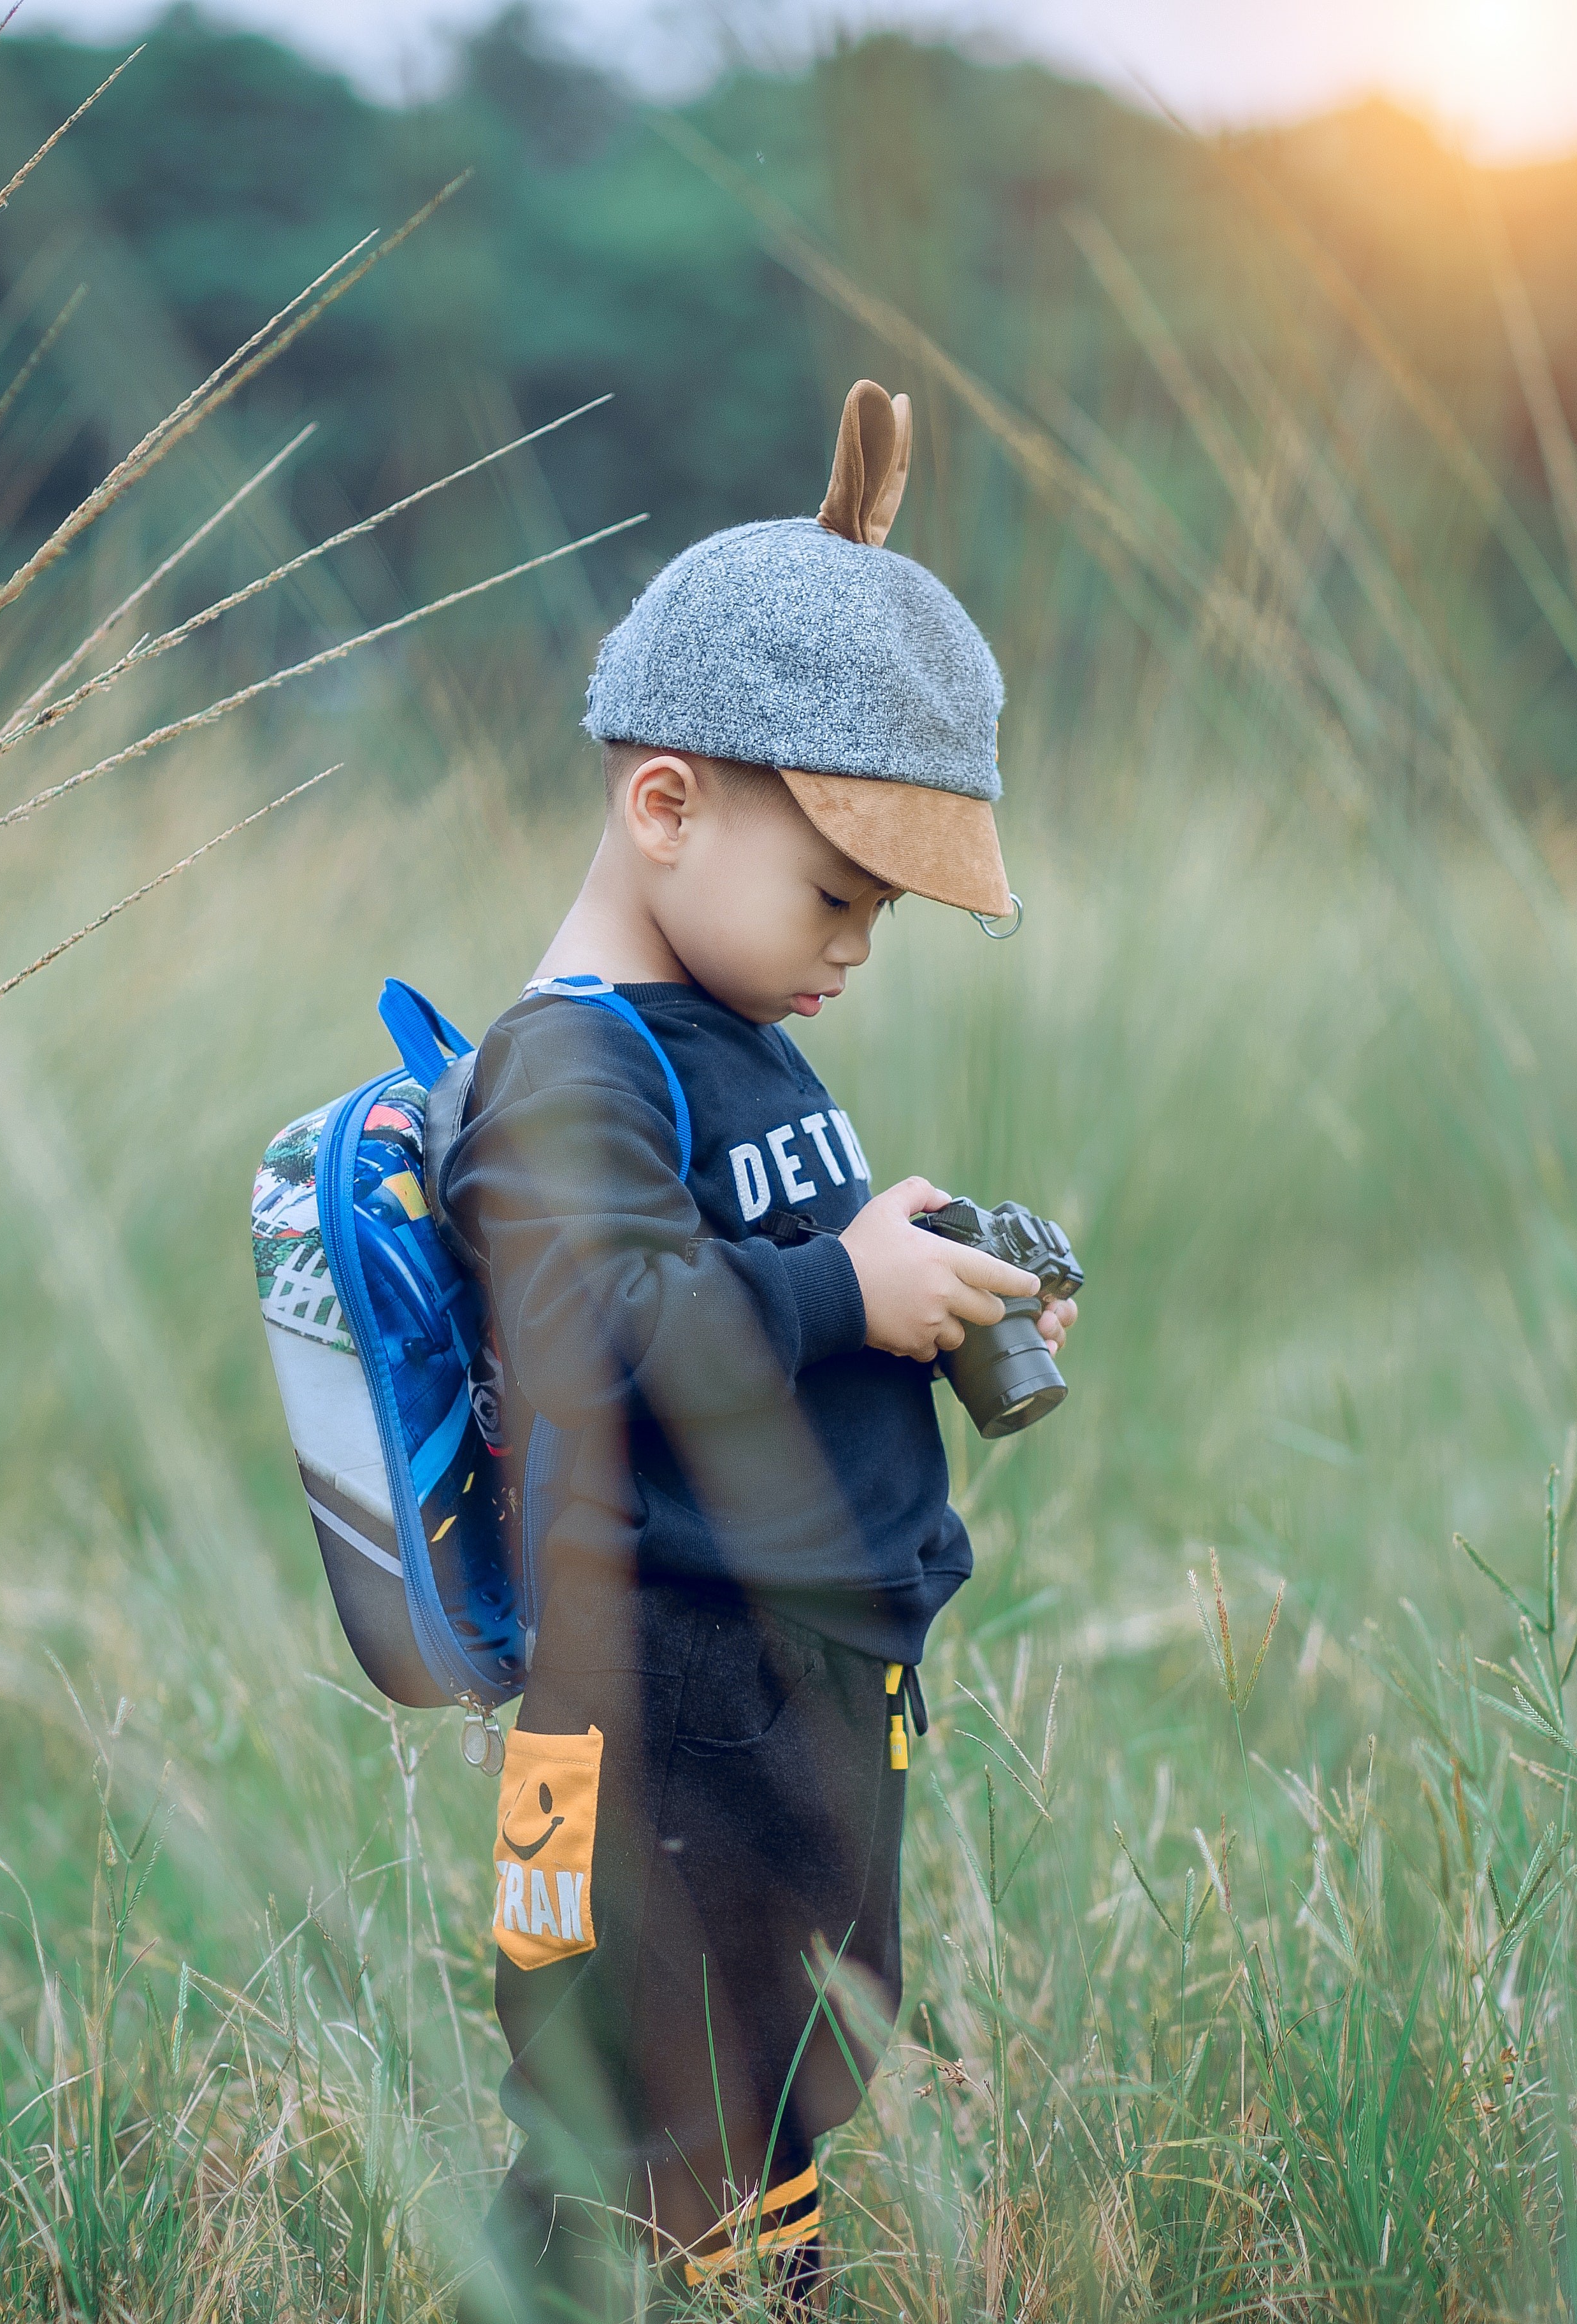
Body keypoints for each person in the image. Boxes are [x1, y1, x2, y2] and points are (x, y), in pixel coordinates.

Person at [436, 380, 1076, 2321]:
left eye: (879, 911)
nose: (856, 949)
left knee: (781, 2062)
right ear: (666, 803)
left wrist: (922, 1281)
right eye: (835, 892)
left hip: (786, 1680)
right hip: (659, 1696)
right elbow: (607, 1331)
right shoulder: (568, 1065)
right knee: (653, 2097)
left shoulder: (733, 1033)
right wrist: (840, 1291)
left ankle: (738, 2284)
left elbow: (745, 1285)